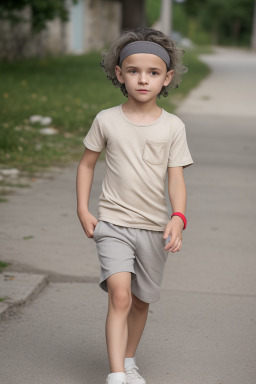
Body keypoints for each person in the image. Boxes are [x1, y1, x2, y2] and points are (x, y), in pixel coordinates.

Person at [76, 27, 194, 384]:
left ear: (167, 78)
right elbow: (86, 164)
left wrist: (178, 217)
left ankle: (128, 360)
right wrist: (83, 209)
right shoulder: (106, 120)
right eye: (133, 71)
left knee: (141, 301)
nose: (143, 80)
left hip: (154, 228)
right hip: (112, 223)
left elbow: (176, 178)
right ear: (119, 73)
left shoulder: (173, 126)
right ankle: (116, 375)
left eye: (153, 72)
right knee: (121, 295)